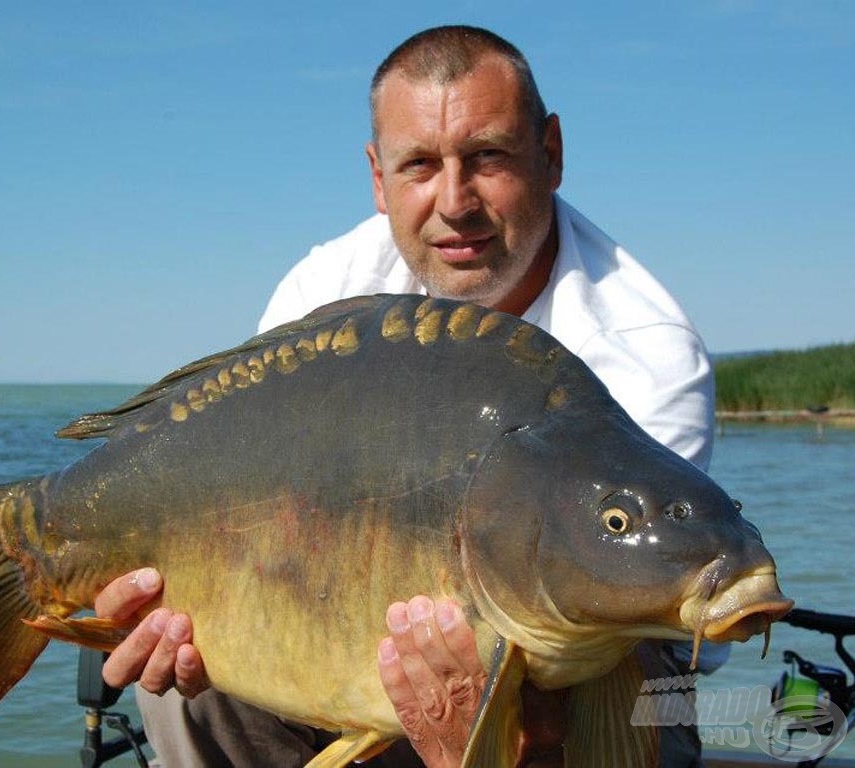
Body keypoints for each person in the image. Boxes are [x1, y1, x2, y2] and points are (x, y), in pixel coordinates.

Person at [94, 25, 722, 767]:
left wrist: (495, 729)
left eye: (487, 156)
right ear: (376, 175)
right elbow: (260, 511)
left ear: (550, 152)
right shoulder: (326, 290)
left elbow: (635, 625)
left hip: (613, 670)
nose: (454, 202)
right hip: (367, 624)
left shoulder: (643, 347)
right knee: (186, 680)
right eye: (419, 165)